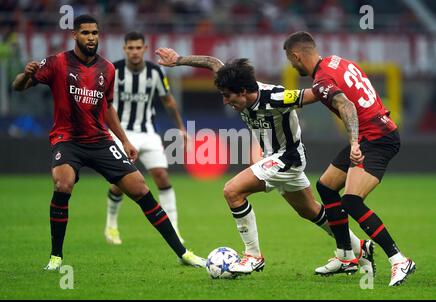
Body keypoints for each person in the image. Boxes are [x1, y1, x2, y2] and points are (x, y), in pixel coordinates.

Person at [155, 47, 374, 275]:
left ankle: (253, 256)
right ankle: (359, 247)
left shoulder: (277, 97)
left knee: (232, 191)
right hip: (275, 158)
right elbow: (212, 61)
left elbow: (321, 94)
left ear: (242, 91)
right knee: (310, 210)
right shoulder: (234, 85)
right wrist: (178, 60)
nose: (226, 101)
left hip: (287, 159)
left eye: (228, 96)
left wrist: (342, 96)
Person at [11, 15, 205, 271]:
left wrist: (123, 140)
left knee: (140, 190)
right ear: (75, 36)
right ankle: (56, 257)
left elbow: (108, 107)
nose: (91, 37)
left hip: (100, 140)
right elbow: (18, 87)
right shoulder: (57, 63)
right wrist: (26, 75)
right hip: (67, 139)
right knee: (63, 183)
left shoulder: (107, 69)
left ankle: (183, 253)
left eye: (95, 33)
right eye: (85, 33)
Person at [283, 31, 415, 286]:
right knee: (326, 186)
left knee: (352, 202)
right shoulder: (337, 62)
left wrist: (354, 142)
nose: (291, 65)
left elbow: (347, 106)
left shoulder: (322, 80)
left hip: (376, 138)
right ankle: (346, 256)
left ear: (296, 56)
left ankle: (399, 259)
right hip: (374, 131)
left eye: (290, 60)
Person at [104, 31, 186, 245]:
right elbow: (104, 103)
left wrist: (181, 128)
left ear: (145, 48)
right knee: (121, 183)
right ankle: (111, 225)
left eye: (138, 47)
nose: (134, 51)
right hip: (121, 133)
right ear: (124, 49)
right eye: (130, 47)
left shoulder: (156, 72)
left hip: (148, 132)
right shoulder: (113, 70)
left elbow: (168, 101)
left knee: (162, 176)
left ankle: (175, 229)